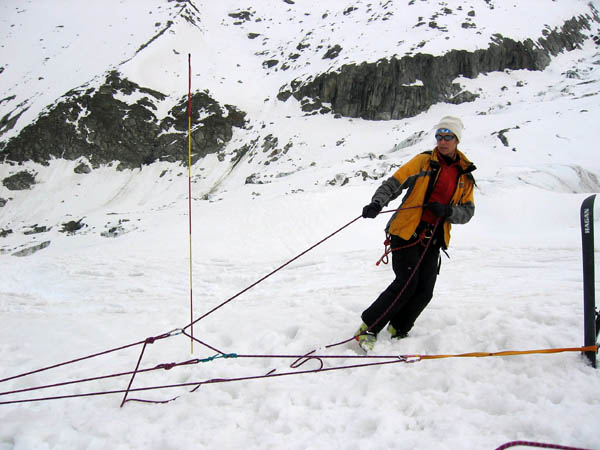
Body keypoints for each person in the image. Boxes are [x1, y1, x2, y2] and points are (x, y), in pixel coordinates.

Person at [355, 116, 476, 351]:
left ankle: (398, 328)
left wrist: (447, 212)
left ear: (457, 140)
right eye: (439, 136)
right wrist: (377, 203)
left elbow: (468, 212)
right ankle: (367, 329)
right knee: (406, 284)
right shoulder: (423, 162)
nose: (442, 141)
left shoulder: (465, 174)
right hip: (406, 230)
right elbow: (394, 184)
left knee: (424, 290)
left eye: (447, 137)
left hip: (434, 238)